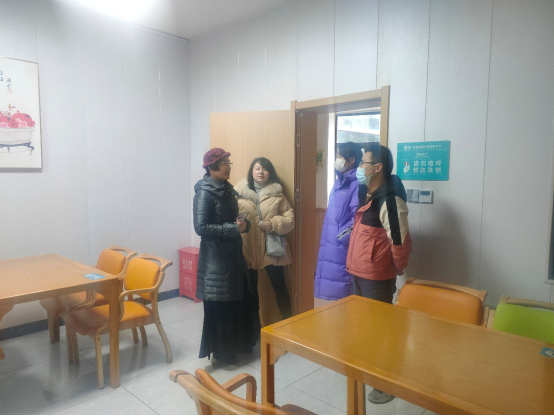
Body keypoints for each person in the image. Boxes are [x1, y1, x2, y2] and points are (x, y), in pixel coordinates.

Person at [346, 143, 412, 405]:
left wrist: (394, 268)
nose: (360, 167)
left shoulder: (390, 200)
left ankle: (387, 383)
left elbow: (400, 243)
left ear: (377, 167)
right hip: (359, 273)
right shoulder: (368, 193)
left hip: (376, 278)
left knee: (381, 332)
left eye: (363, 163)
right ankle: (370, 371)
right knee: (364, 329)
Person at [193, 148, 256, 365]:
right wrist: (232, 228)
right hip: (216, 262)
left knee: (239, 301)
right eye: (224, 163)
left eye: (229, 162)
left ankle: (239, 343)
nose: (228, 167)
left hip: (234, 257)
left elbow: (232, 219)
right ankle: (222, 351)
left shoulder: (227, 189)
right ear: (211, 167)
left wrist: (243, 224)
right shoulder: (204, 193)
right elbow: (201, 227)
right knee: (221, 307)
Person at [234, 157, 294, 327]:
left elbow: (290, 220)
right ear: (252, 171)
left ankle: (290, 327)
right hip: (248, 248)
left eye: (265, 169)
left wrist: (273, 224)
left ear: (270, 173)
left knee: (280, 288)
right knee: (251, 292)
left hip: (271, 249)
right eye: (257, 168)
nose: (261, 172)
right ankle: (255, 332)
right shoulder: (239, 194)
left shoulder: (278, 195)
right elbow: (231, 218)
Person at [314, 142, 361, 300]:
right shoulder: (339, 181)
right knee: (330, 296)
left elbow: (357, 218)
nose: (337, 159)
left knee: (341, 294)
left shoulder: (357, 184)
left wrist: (341, 237)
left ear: (352, 160)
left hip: (341, 246)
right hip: (330, 243)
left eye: (340, 156)